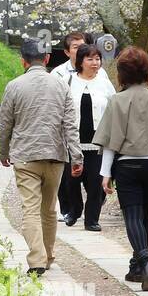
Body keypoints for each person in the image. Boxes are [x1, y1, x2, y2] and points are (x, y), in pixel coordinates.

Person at [94, 46, 148, 292]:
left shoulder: (117, 101)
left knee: (132, 215)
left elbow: (110, 142)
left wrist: (105, 174)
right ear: (147, 73)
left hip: (127, 165)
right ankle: (137, 267)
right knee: (144, 215)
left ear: (121, 74)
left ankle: (145, 261)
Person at [0, 38, 84, 276]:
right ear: (46, 59)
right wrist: (76, 157)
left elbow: (5, 124)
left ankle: (37, 259)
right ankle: (48, 254)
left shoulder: (14, 86)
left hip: (26, 157)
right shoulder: (61, 86)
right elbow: (70, 125)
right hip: (55, 156)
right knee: (49, 209)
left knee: (31, 209)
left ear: (22, 61)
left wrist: (3, 152)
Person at [59, 43, 115, 231]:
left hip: (98, 142)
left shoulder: (105, 84)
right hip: (72, 141)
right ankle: (74, 211)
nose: (95, 63)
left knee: (96, 183)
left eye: (97, 59)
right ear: (80, 61)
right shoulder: (67, 81)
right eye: (90, 59)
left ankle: (92, 219)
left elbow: (114, 109)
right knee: (71, 181)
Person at [52, 31, 87, 220]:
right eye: (76, 47)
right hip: (64, 128)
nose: (80, 50)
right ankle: (67, 209)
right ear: (67, 52)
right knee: (65, 172)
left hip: (89, 127)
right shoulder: (57, 73)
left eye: (83, 46)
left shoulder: (98, 71)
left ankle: (88, 209)